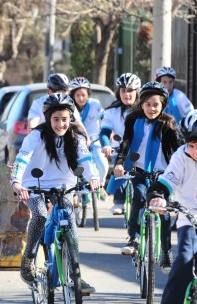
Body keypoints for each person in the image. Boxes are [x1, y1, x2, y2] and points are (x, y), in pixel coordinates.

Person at [11, 93, 98, 294]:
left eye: (65, 119)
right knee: (40, 214)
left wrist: (93, 178)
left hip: (63, 185)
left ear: (71, 119)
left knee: (69, 220)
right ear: (48, 119)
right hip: (34, 184)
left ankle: (75, 274)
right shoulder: (36, 135)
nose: (60, 124)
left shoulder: (76, 137)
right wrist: (16, 182)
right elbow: (23, 158)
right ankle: (28, 259)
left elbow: (86, 159)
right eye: (56, 119)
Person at [114, 82, 181, 272]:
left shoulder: (168, 123)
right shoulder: (133, 119)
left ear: (162, 106)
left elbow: (176, 150)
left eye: (156, 105)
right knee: (140, 195)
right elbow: (125, 142)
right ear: (141, 104)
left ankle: (166, 251)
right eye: (148, 104)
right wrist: (119, 163)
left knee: (163, 210)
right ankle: (133, 238)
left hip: (163, 173)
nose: (152, 109)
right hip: (139, 169)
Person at [148, 110, 197, 304]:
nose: (195, 150)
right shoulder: (181, 157)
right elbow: (166, 182)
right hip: (189, 219)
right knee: (183, 264)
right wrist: (157, 196)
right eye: (191, 144)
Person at [102, 72, 141, 215]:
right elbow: (104, 132)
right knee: (120, 168)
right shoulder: (112, 111)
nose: (127, 94)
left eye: (130, 91)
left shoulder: (143, 110)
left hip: (139, 150)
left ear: (137, 92)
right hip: (119, 148)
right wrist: (106, 145)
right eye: (123, 91)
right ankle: (118, 202)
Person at [69, 77, 108, 183]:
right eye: (77, 95)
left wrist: (110, 133)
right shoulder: (69, 107)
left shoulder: (95, 104)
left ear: (88, 94)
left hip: (94, 140)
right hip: (77, 142)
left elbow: (105, 118)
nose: (81, 98)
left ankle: (100, 184)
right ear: (72, 95)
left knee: (102, 164)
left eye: (83, 95)